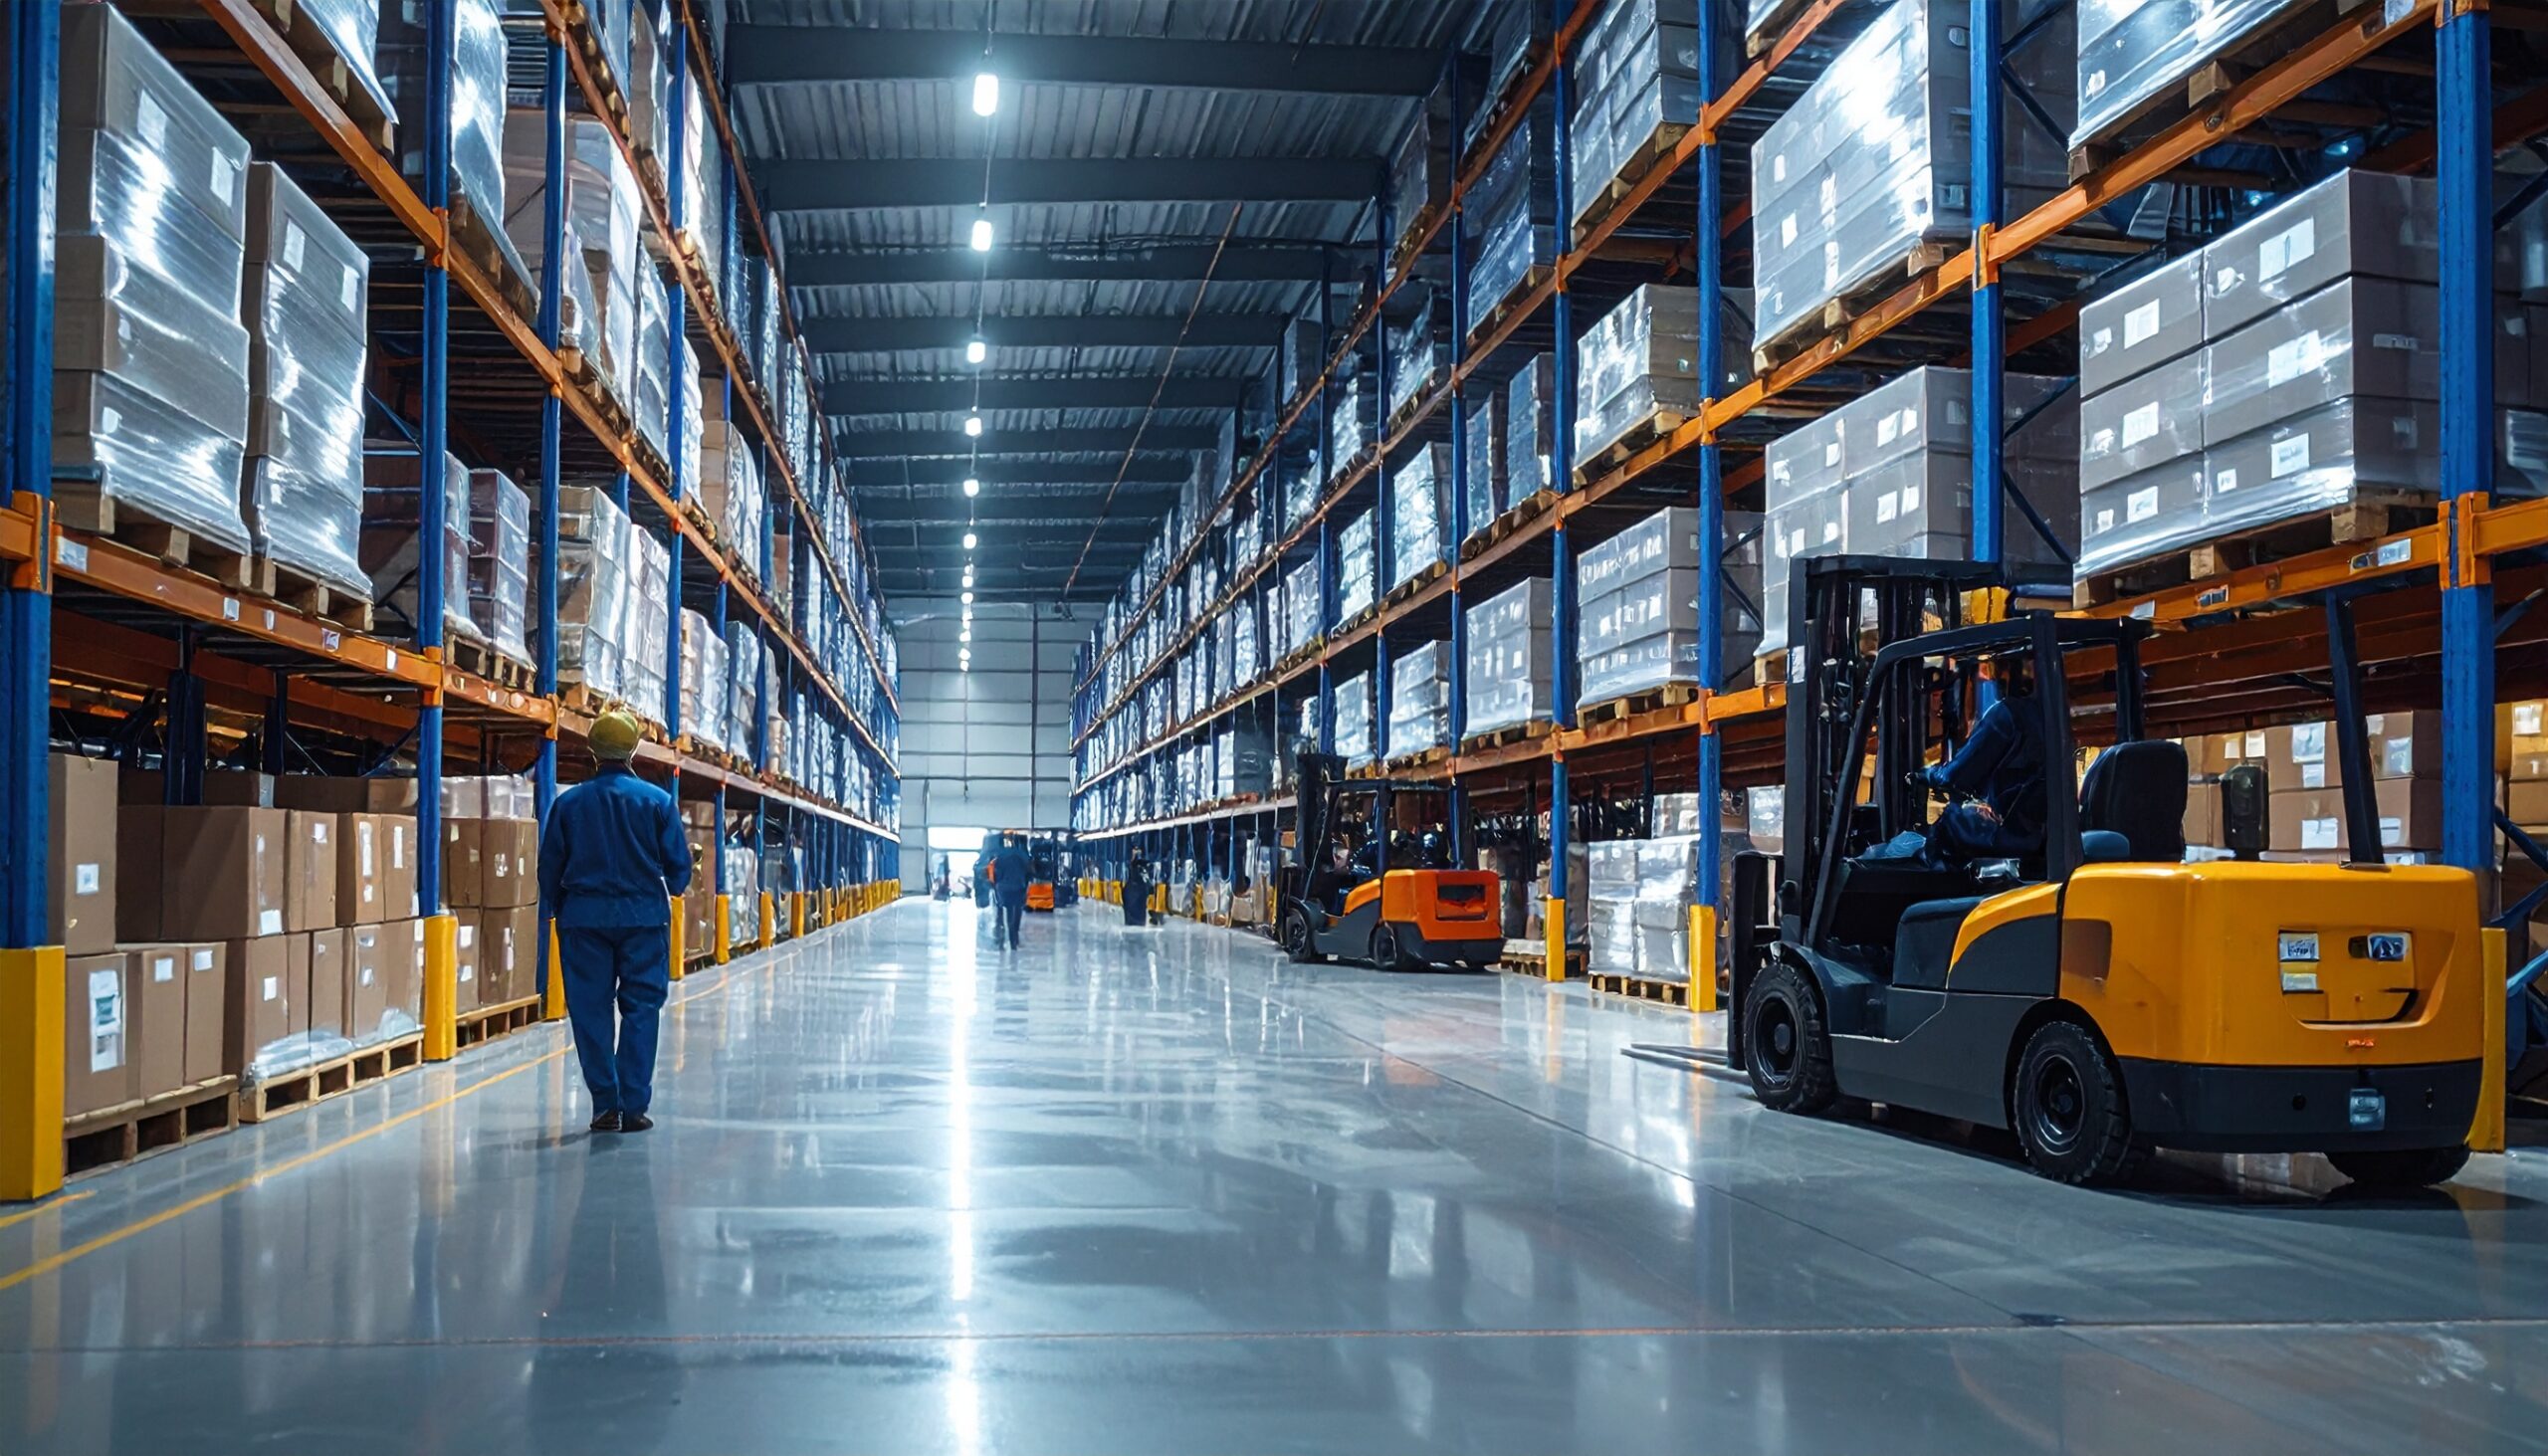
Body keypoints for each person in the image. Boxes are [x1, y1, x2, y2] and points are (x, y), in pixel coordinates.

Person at [539, 710, 695, 1134]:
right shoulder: (657, 802)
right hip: (643, 919)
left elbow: (549, 865)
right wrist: (675, 884)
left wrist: (557, 907)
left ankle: (605, 1107)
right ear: (632, 750)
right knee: (642, 1009)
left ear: (593, 752)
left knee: (590, 1011)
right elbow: (678, 867)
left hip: (583, 920)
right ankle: (634, 1106)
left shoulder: (568, 804)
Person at [1920, 660, 2048, 866]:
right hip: (2033, 837)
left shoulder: (2008, 715)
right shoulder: (2051, 717)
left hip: (2012, 838)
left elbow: (1958, 776)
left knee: (1947, 826)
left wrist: (1928, 774)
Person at [987, 831, 1031, 950]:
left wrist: (995, 885)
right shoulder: (1022, 855)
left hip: (1003, 889)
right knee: (1016, 912)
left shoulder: (998, 856)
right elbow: (1029, 872)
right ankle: (1014, 940)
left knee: (1001, 911)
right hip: (1018, 887)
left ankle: (1001, 940)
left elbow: (994, 874)